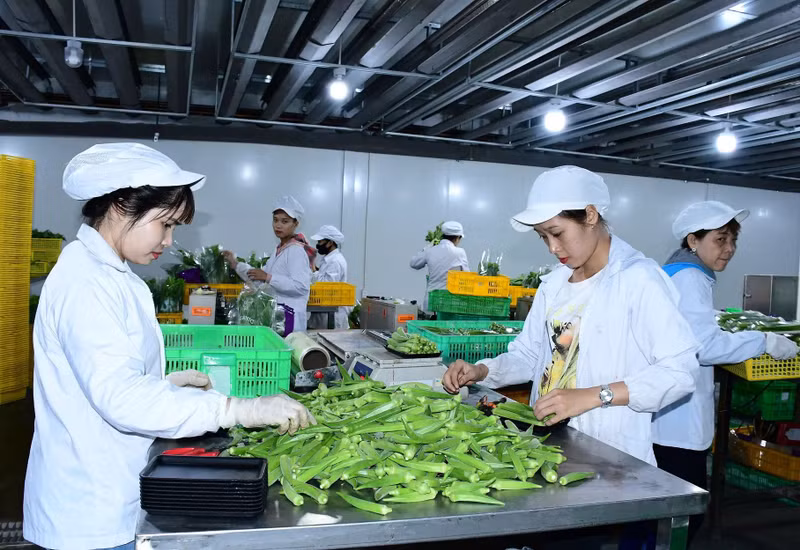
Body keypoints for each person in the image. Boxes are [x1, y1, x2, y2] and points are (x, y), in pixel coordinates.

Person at [24, 143, 314, 550]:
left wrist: (164, 383)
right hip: (90, 511)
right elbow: (119, 397)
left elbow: (105, 374)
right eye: (165, 224)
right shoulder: (85, 282)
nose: (169, 239)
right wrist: (236, 409)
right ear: (122, 205)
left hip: (111, 485)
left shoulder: (113, 274)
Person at [442, 165, 698, 466]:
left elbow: (680, 373)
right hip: (545, 445)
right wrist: (482, 371)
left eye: (557, 233)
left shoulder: (639, 280)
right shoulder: (555, 284)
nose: (552, 247)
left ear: (590, 215)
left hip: (612, 462)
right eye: (543, 237)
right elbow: (529, 355)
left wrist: (593, 395)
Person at [652, 200, 799, 540]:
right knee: (682, 520)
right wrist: (763, 341)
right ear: (693, 240)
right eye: (720, 239)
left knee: (660, 514)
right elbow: (705, 346)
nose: (730, 249)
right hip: (677, 420)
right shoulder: (690, 278)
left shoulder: (676, 272)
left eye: (733, 240)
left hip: (664, 415)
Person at [223, 196, 312, 332]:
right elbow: (259, 277)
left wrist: (268, 277)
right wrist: (236, 264)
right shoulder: (280, 250)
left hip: (290, 321)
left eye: (285, 221)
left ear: (296, 224)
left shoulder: (296, 251)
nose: (278, 225)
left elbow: (301, 287)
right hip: (278, 318)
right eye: (275, 220)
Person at [410, 221, 469, 310]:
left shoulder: (430, 251)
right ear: (457, 238)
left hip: (431, 301)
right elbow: (466, 276)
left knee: (429, 323)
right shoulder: (459, 253)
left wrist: (427, 247)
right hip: (449, 302)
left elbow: (413, 263)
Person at [307, 225, 351, 330]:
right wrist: (316, 270)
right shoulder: (328, 259)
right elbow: (324, 276)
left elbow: (326, 285)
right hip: (323, 313)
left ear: (330, 243)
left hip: (331, 315)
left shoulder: (335, 261)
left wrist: (313, 269)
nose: (318, 245)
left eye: (320, 242)